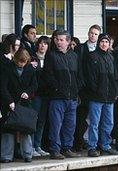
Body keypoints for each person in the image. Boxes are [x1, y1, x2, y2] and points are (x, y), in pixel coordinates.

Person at [44, 30, 82, 159]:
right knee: (56, 125)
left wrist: (77, 90)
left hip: (72, 97)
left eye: (61, 40)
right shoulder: (51, 55)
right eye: (57, 39)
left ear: (68, 42)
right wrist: (57, 88)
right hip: (57, 97)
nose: (58, 42)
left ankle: (67, 148)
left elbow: (79, 76)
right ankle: (55, 150)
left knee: (70, 125)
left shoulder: (74, 56)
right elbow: (47, 76)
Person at [86, 34, 118, 157]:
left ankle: (105, 145)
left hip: (109, 96)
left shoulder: (111, 57)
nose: (104, 44)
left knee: (108, 122)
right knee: (94, 123)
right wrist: (95, 90)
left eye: (106, 41)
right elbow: (90, 77)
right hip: (96, 96)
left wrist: (115, 91)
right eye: (102, 41)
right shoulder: (92, 56)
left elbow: (115, 77)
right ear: (98, 43)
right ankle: (92, 147)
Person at [0, 48, 37, 163]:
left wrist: (28, 92)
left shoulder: (30, 69)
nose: (21, 64)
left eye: (23, 62)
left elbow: (34, 84)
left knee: (26, 128)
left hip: (25, 103)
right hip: (9, 103)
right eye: (19, 62)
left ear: (27, 61)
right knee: (8, 129)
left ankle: (27, 154)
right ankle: (6, 155)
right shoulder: (7, 68)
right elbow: (3, 87)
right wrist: (9, 101)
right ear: (15, 60)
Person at [74, 24, 101, 151]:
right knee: (81, 117)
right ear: (88, 33)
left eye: (96, 34)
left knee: (95, 118)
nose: (93, 35)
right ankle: (79, 142)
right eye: (91, 33)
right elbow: (78, 67)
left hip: (97, 89)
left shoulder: (101, 49)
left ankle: (92, 142)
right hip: (84, 88)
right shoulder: (81, 48)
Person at [31, 36, 51, 157]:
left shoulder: (50, 59)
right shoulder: (32, 58)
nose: (42, 45)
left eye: (45, 44)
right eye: (41, 43)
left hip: (46, 94)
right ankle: (31, 146)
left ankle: (38, 145)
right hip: (35, 94)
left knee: (42, 121)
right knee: (34, 120)